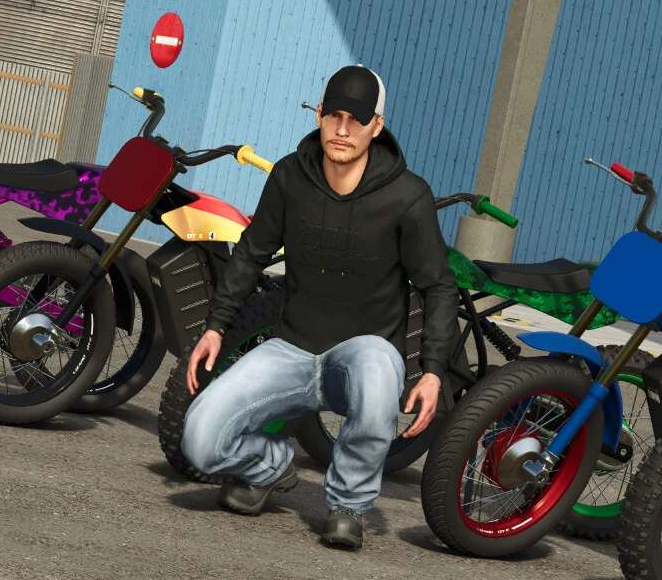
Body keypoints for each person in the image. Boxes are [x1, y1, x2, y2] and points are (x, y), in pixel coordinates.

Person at [180, 64, 459, 551]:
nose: (343, 129)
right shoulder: (290, 177)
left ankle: (348, 505)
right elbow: (250, 254)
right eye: (334, 116)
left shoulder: (407, 196)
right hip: (292, 348)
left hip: (364, 353)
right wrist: (216, 326)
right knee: (199, 439)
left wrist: (433, 370)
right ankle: (270, 467)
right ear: (319, 116)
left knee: (378, 374)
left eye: (357, 119)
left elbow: (438, 286)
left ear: (377, 126)